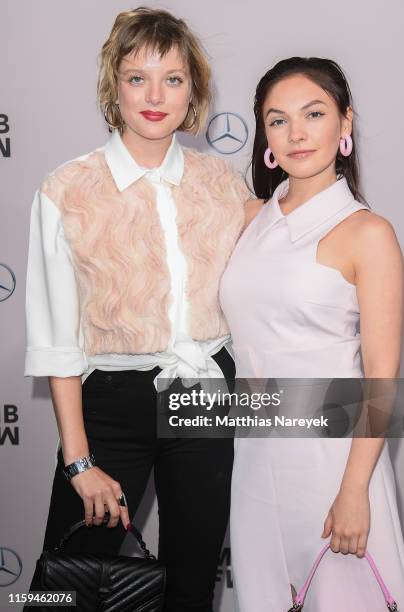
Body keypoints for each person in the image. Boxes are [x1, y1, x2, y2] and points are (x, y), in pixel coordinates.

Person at [24, 7, 249, 611]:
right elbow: (56, 342)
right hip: (111, 407)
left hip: (204, 396)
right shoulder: (66, 189)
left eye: (173, 79)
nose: (155, 96)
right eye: (136, 77)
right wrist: (79, 460)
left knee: (191, 583)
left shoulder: (223, 184)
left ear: (194, 90)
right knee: (72, 587)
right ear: (113, 85)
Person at [219, 57, 404, 611]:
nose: (296, 133)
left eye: (314, 113)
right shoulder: (249, 216)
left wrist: (353, 493)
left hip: (334, 465)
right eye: (278, 120)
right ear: (265, 137)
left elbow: (381, 379)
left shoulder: (367, 234)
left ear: (345, 124)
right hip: (254, 459)